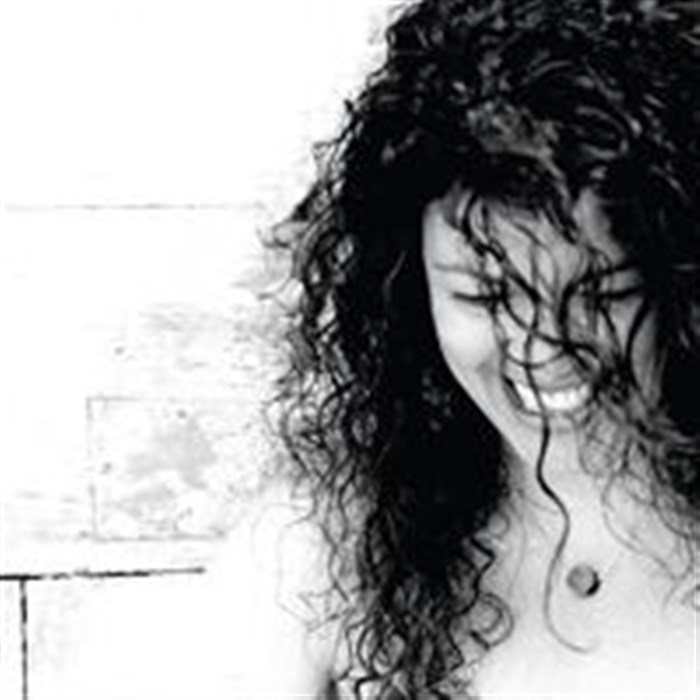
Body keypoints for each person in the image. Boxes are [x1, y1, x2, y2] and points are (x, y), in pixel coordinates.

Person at [52, 1, 698, 698]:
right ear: (410, 290)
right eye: (485, 297)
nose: (542, 345)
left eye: (600, 295)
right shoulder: (338, 536)